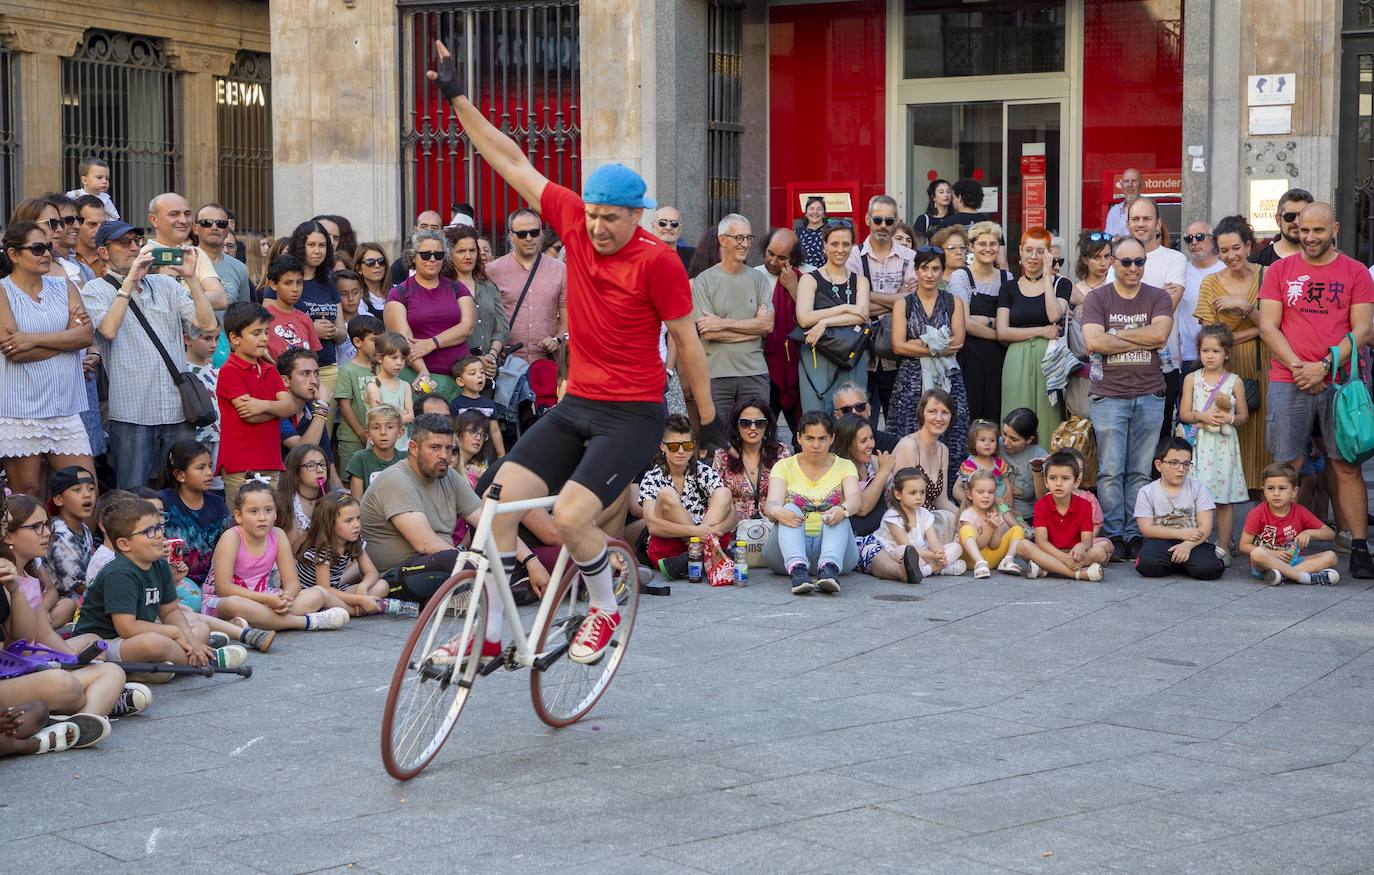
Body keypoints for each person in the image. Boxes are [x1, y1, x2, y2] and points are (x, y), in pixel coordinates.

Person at [426, 40, 716, 665]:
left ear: (636, 217)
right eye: (592, 216)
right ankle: (494, 635)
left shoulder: (658, 262)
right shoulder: (572, 219)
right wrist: (457, 98)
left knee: (574, 519)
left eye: (612, 218)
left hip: (634, 414)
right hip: (577, 402)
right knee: (495, 509)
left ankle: (604, 609)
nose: (597, 227)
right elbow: (509, 158)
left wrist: (708, 419)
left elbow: (689, 343)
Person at [1256, 201, 1374, 579]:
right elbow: (1269, 326)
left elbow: (1363, 330)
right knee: (1286, 464)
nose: (1309, 237)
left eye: (1318, 231)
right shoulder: (1279, 270)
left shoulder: (1356, 272)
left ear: (1334, 229)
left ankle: (1358, 545)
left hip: (1339, 382)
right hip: (1288, 378)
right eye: (1303, 230)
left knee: (1346, 465)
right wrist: (1299, 367)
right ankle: (1277, 542)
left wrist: (1324, 365)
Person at [83, 219, 218, 489]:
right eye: (124, 243)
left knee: (183, 488)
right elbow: (108, 330)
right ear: (103, 253)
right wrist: (130, 280)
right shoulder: (95, 289)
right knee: (132, 490)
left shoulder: (167, 285)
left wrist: (191, 278)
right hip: (132, 412)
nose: (134, 248)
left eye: (137, 242)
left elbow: (208, 324)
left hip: (177, 410)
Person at [74, 496, 248, 669]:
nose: (159, 534)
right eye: (148, 531)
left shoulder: (160, 564)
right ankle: (207, 660)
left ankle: (162, 665)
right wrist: (175, 633)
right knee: (154, 643)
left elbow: (170, 610)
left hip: (133, 637)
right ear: (124, 544)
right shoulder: (119, 573)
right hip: (103, 644)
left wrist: (189, 638)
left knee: (200, 629)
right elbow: (127, 628)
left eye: (158, 527)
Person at [1082, 236, 1174, 561]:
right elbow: (1093, 342)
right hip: (1109, 396)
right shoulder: (1097, 298)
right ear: (1113, 263)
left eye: (1140, 261)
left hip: (1150, 392)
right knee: (1109, 470)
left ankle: (1136, 532)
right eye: (1126, 262)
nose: (1134, 268)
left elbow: (1160, 334)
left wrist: (1115, 336)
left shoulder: (1158, 296)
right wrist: (1140, 338)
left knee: (1140, 470)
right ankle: (1114, 534)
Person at [0, 221, 94, 497]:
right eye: (38, 248)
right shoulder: (2, 291)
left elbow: (86, 336)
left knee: (84, 487)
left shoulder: (65, 286)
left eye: (49, 247)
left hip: (65, 406)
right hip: (19, 410)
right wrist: (67, 339)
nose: (46, 254)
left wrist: (32, 339)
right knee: (27, 494)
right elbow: (13, 351)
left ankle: (75, 542)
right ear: (14, 255)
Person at [202, 479, 350, 631]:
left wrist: (287, 597)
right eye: (254, 511)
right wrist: (267, 600)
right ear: (239, 516)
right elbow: (223, 588)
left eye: (268, 510)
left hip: (268, 598)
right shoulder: (231, 537)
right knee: (233, 604)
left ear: (276, 513)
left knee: (317, 594)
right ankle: (306, 622)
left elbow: (293, 583)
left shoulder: (278, 535)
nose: (262, 517)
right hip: (226, 600)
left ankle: (254, 621)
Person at [1194, 215, 1269, 491]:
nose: (1230, 255)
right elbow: (1211, 341)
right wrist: (1258, 330)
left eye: (1236, 248)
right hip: (1225, 369)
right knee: (1229, 431)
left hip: (1267, 366)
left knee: (1264, 436)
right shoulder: (1210, 283)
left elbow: (1278, 324)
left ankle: (1267, 501)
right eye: (1224, 250)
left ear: (1248, 246)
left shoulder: (1268, 275)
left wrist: (1244, 306)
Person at [762, 411, 860, 594]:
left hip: (836, 553)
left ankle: (829, 570)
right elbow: (771, 503)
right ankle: (798, 570)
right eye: (809, 438)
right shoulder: (783, 466)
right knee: (789, 508)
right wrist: (777, 511)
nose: (816, 445)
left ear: (832, 438)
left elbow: (855, 499)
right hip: (786, 554)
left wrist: (843, 509)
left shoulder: (846, 466)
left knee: (838, 512)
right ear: (799, 438)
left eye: (822, 438)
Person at [216, 302, 303, 506]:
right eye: (256, 333)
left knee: (270, 522)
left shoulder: (270, 370)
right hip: (240, 466)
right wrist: (277, 408)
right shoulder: (229, 370)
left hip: (271, 462)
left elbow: (290, 407)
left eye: (266, 332)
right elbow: (250, 415)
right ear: (235, 338)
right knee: (243, 525)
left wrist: (263, 405)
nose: (264, 338)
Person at [888, 248, 968, 467]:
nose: (929, 274)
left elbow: (958, 343)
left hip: (947, 378)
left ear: (943, 271)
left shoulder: (954, 302)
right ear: (916, 270)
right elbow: (898, 346)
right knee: (910, 429)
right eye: (924, 268)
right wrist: (936, 344)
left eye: (935, 269)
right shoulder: (903, 304)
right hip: (911, 379)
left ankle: (948, 491)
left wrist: (919, 343)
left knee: (952, 431)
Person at [1114, 197, 1187, 437]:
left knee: (1158, 443)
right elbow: (1110, 311)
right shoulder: (1117, 260)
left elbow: (1165, 314)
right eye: (1135, 219)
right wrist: (1155, 303)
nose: (1141, 224)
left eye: (1147, 218)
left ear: (1158, 224)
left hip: (1163, 366)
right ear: (1127, 224)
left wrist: (1124, 323)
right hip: (1121, 366)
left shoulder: (1175, 259)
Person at [1178, 324, 1248, 560]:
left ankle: (1225, 546)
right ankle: (1197, 540)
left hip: (1224, 447)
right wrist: (1202, 416)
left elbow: (1243, 417)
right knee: (1195, 495)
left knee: (1223, 499)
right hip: (1199, 445)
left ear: (1227, 353)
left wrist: (1228, 417)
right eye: (1205, 350)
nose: (1210, 355)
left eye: (1216, 351)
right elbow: (1185, 413)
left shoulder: (1235, 381)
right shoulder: (1191, 379)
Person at [693, 213, 773, 416]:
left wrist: (721, 323)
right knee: (721, 442)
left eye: (748, 238)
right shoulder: (704, 281)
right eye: (739, 238)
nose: (745, 244)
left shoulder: (759, 279)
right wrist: (752, 329)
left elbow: (767, 326)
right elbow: (708, 333)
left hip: (755, 373)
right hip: (716, 375)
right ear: (722, 239)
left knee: (757, 438)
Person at [997, 227, 1072, 445]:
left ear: (1049, 254)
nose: (1033, 257)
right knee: (1014, 414)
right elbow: (1003, 332)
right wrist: (1040, 331)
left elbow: (1053, 314)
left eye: (1040, 251)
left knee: (1049, 417)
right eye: (1028, 250)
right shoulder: (1008, 288)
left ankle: (1049, 471)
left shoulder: (1061, 284)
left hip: (1049, 358)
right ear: (1020, 252)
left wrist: (1048, 277)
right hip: (1016, 357)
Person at [638, 415, 734, 580]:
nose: (681, 451)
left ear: (693, 446)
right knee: (667, 493)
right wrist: (697, 533)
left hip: (704, 538)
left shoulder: (703, 471)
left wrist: (708, 533)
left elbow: (733, 515)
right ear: (663, 447)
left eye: (687, 445)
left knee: (724, 493)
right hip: (670, 546)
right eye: (674, 446)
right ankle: (705, 554)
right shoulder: (652, 477)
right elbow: (652, 526)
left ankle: (699, 553)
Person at [383, 229, 474, 400]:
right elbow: (404, 340)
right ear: (413, 257)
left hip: (460, 380)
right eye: (425, 255)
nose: (432, 259)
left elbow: (467, 327)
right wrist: (423, 371)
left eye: (438, 255)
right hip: (420, 379)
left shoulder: (458, 288)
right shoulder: (399, 293)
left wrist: (432, 343)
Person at [1132, 437, 1225, 580]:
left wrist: (1187, 545)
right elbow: (1147, 529)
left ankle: (1184, 562)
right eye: (1174, 463)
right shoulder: (1147, 491)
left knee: (1208, 569)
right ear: (1159, 465)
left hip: (1193, 542)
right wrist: (1180, 533)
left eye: (1186, 464)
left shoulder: (1198, 488)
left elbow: (1205, 526)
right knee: (1148, 565)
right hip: (1161, 540)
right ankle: (1178, 563)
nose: (1181, 469)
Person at [296, 492, 400, 616]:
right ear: (330, 524)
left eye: (358, 518)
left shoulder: (354, 540)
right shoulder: (323, 549)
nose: (356, 525)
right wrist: (360, 599)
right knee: (323, 597)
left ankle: (351, 608)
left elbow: (372, 572)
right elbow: (325, 589)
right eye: (348, 520)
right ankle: (354, 611)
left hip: (336, 591)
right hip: (313, 595)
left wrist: (363, 587)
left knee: (382, 585)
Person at [485, 208, 567, 366]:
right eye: (522, 234)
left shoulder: (560, 270)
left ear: (541, 233)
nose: (529, 238)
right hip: (507, 362)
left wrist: (557, 339)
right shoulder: (492, 270)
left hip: (547, 362)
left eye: (534, 232)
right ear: (511, 235)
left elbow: (567, 319)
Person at [948, 221, 1012, 423]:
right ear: (972, 247)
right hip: (970, 357)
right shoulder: (961, 276)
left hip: (1001, 358)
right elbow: (964, 323)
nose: (988, 249)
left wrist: (984, 321)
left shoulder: (1006, 277)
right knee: (971, 412)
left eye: (993, 244)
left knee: (997, 411)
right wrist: (1001, 332)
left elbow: (1011, 320)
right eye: (982, 244)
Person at [1240, 463, 1341, 586]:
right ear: (1264, 491)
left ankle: (1281, 575)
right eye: (1270, 488)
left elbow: (1330, 533)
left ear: (1294, 492)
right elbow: (1244, 545)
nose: (1276, 493)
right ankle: (1304, 577)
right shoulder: (1257, 513)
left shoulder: (1300, 512)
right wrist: (1272, 553)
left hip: (1293, 561)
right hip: (1264, 562)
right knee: (1257, 553)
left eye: (1282, 488)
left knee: (1331, 557)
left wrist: (1309, 532)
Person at [1019, 452, 1109, 581]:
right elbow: (1041, 542)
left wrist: (1081, 546)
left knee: (1099, 553)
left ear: (1076, 482)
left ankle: (1046, 569)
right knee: (1023, 546)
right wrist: (1065, 560)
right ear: (1046, 482)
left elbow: (1087, 540)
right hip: (1049, 552)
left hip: (1074, 554)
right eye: (1053, 478)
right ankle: (1076, 574)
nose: (1059, 483)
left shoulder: (1085, 505)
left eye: (1065, 478)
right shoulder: (1041, 505)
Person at [870, 467, 965, 584]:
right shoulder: (893, 516)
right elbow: (906, 545)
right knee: (906, 553)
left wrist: (939, 551)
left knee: (957, 547)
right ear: (898, 494)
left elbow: (933, 541)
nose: (919, 497)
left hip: (924, 553)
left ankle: (928, 569)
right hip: (896, 552)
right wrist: (932, 556)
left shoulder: (924, 513)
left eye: (922, 492)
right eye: (913, 493)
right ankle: (935, 569)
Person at [160, 440, 231, 589]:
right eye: (201, 468)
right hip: (173, 582)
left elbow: (229, 544)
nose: (209, 473)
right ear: (180, 475)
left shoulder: (218, 504)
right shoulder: (162, 502)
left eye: (210, 466)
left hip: (213, 582)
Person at [892, 390, 961, 542]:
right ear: (922, 413)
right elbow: (898, 500)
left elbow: (941, 500)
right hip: (905, 521)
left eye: (945, 412)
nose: (939, 418)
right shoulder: (909, 445)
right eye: (932, 411)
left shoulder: (943, 450)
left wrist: (968, 516)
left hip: (930, 519)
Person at [711, 399, 791, 530]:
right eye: (745, 423)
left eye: (759, 423)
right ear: (736, 425)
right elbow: (716, 498)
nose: (752, 428)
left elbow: (791, 492)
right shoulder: (722, 455)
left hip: (773, 525)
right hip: (734, 527)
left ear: (767, 425)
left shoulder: (781, 453)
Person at [139, 193, 228, 311]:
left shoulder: (195, 254)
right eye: (174, 214)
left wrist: (179, 298)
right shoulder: (141, 256)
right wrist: (197, 297)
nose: (183, 220)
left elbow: (220, 299)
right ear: (154, 220)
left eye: (187, 214)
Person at [757, 228, 805, 437]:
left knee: (801, 433)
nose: (774, 261)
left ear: (793, 258)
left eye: (781, 257)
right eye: (770, 253)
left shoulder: (806, 276)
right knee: (763, 432)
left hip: (796, 366)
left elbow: (812, 317)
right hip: (760, 364)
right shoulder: (753, 275)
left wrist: (794, 289)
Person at [445, 224, 508, 381]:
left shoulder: (488, 286)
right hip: (455, 370)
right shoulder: (443, 288)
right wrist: (473, 360)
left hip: (488, 371)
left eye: (472, 250)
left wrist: (492, 356)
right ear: (449, 254)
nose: (468, 256)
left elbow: (502, 327)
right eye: (461, 251)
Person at [1064, 230, 1114, 417]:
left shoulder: (1117, 286)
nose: (1103, 263)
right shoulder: (1072, 290)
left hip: (1112, 366)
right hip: (1081, 367)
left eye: (1107, 256)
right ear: (1085, 260)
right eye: (1096, 257)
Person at [835, 413, 895, 554]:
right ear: (847, 444)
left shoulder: (874, 463)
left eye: (871, 438)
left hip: (879, 531)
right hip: (854, 538)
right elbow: (861, 508)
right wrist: (883, 473)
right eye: (863, 441)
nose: (871, 445)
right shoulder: (837, 469)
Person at [45, 466, 97, 624]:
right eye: (77, 490)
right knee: (70, 605)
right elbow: (79, 586)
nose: (87, 494)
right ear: (59, 499)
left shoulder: (84, 528)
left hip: (82, 596)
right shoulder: (60, 534)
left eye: (91, 489)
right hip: (60, 603)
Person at [277, 349, 337, 481]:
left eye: (316, 373)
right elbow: (304, 451)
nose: (314, 381)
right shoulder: (277, 409)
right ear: (285, 380)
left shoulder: (312, 408)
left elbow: (328, 462)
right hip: (281, 490)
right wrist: (322, 407)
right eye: (305, 374)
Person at [334, 314, 384, 471]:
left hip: (379, 437)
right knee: (350, 482)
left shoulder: (381, 369)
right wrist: (362, 433)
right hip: (352, 438)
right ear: (357, 342)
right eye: (375, 341)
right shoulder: (348, 370)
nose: (380, 346)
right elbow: (344, 405)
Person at [958, 469, 1025, 579]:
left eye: (991, 492)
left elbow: (995, 545)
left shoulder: (994, 512)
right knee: (966, 530)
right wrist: (989, 527)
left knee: (1017, 528)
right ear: (969, 495)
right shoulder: (967, 515)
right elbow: (978, 545)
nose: (986, 496)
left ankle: (1008, 560)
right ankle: (980, 562)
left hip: (991, 559)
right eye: (980, 492)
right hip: (971, 560)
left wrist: (995, 528)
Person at [1180, 221, 1224, 375]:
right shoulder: (1180, 271)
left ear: (1213, 240)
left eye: (1199, 237)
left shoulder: (1226, 271)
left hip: (1219, 353)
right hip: (1186, 355)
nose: (1194, 242)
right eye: (1188, 239)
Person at [364, 332, 415, 448]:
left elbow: (411, 416)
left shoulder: (405, 386)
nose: (399, 363)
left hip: (401, 446)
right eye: (394, 358)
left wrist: (392, 415)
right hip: (379, 446)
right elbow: (381, 418)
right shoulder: (373, 386)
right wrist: (401, 415)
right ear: (380, 358)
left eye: (403, 359)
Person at [346, 403, 407, 498]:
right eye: (376, 428)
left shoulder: (406, 459)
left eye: (390, 427)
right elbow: (357, 501)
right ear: (368, 434)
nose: (383, 432)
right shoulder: (360, 459)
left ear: (400, 432)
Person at [196, 204, 250, 309]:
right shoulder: (184, 262)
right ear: (195, 228)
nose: (214, 227)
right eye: (206, 223)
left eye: (221, 223)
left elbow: (245, 314)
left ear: (227, 230)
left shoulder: (240, 268)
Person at [953, 419, 1012, 507]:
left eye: (992, 440)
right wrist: (972, 504)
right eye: (982, 440)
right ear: (973, 443)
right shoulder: (969, 466)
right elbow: (956, 490)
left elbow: (1008, 488)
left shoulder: (999, 463)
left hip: (1001, 506)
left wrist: (1010, 506)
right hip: (980, 507)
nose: (987, 444)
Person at [1251, 188, 1313, 266]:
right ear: (1278, 220)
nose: (1297, 222)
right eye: (1290, 216)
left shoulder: (1325, 259)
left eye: (1303, 216)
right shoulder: (1258, 261)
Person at [832, 383, 900, 452]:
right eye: (846, 410)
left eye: (859, 406)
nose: (854, 412)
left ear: (868, 409)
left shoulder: (889, 444)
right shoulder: (829, 445)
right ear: (837, 415)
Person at [389, 210, 444, 285]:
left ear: (441, 232)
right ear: (415, 229)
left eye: (434, 228)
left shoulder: (450, 266)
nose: (429, 230)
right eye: (424, 227)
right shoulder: (399, 267)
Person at [66, 156, 120, 221]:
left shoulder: (106, 200)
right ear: (85, 180)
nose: (105, 181)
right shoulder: (73, 196)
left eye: (107, 178)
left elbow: (114, 221)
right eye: (99, 177)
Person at [71, 194, 108, 280]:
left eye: (103, 224)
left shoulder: (112, 259)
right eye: (92, 224)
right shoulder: (64, 258)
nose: (100, 230)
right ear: (77, 223)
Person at [1102, 167, 1142, 239]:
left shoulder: (1150, 209)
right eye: (1126, 181)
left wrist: (1120, 239)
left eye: (1134, 180)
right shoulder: (1114, 211)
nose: (1130, 184)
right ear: (1122, 185)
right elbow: (1107, 240)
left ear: (1141, 184)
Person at [354, 243, 392, 316]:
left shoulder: (398, 291)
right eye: (370, 262)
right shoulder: (357, 298)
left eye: (381, 261)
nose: (377, 266)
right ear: (359, 269)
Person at [653, 206, 695, 270]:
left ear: (680, 228)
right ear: (653, 226)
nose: (668, 228)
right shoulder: (642, 256)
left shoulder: (694, 256)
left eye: (674, 224)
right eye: (662, 223)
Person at [797, 196, 828, 268]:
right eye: (811, 208)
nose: (815, 212)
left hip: (824, 276)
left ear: (824, 214)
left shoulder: (830, 232)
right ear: (806, 213)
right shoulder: (797, 233)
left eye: (819, 209)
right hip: (803, 276)